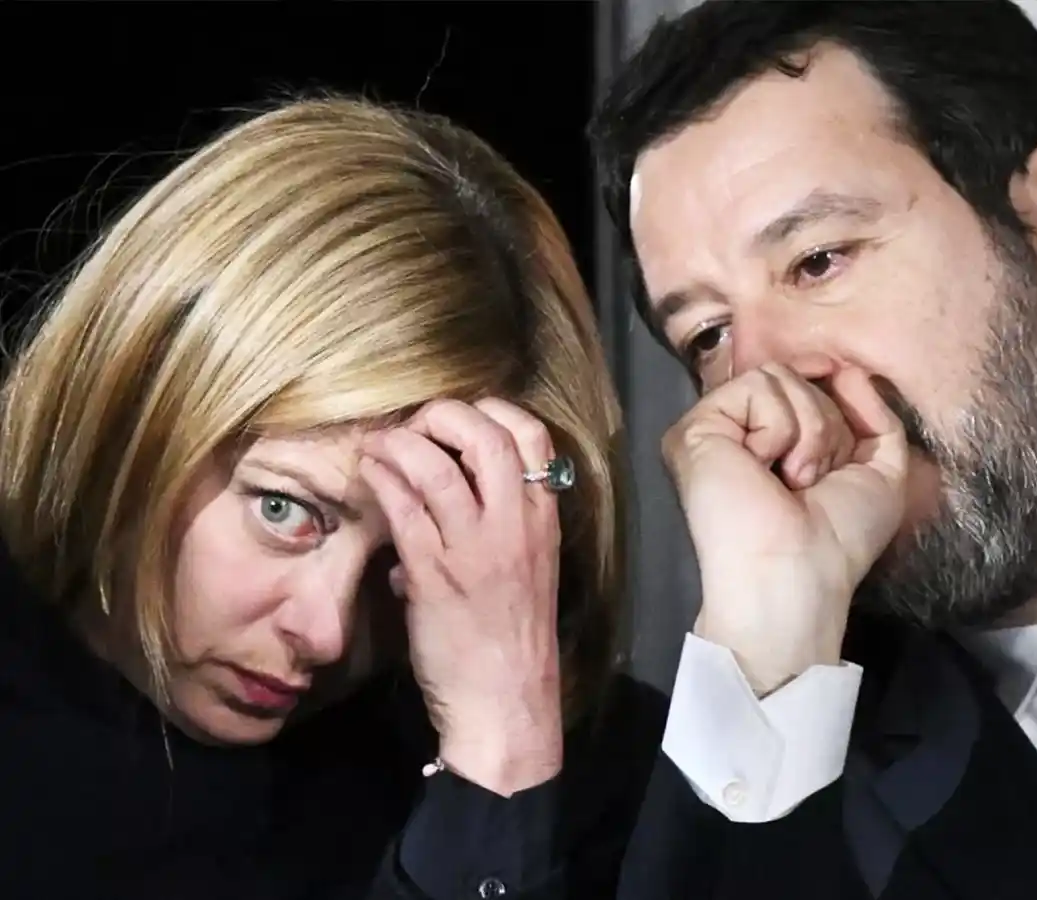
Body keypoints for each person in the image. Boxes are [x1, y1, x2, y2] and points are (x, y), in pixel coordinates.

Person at [590, 2, 1037, 899]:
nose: (768, 381)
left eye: (818, 261)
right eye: (709, 336)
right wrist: (768, 640)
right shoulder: (786, 763)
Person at [0, 96, 665, 899]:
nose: (326, 633)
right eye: (283, 511)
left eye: (410, 557)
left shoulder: (595, 775)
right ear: (140, 400)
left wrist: (501, 758)